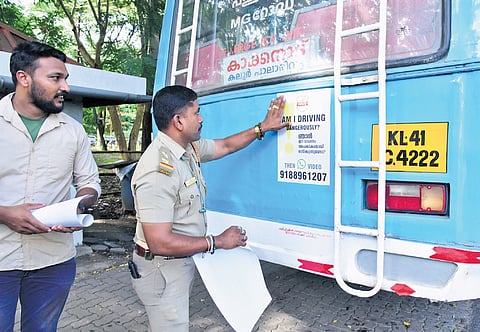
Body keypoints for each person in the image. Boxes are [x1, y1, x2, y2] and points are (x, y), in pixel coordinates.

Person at [130, 85, 288, 331]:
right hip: (161, 269)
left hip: (176, 264)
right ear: (179, 121)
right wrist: (217, 241)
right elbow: (159, 242)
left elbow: (225, 146)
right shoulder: (158, 170)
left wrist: (262, 128)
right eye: (197, 113)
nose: (201, 118)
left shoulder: (186, 149)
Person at [0, 41, 101, 331]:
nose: (65, 87)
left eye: (65, 78)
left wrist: (79, 206)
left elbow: (89, 183)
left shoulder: (73, 130)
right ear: (24, 78)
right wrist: (5, 213)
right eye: (55, 78)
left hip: (53, 261)